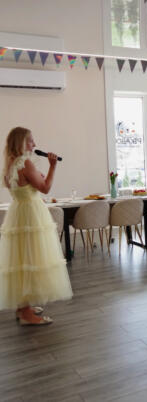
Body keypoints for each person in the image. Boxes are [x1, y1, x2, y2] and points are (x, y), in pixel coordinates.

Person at [0, 127, 72, 325]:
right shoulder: (26, 163)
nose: (35, 144)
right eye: (31, 140)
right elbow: (45, 188)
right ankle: (26, 315)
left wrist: (36, 177)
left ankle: (23, 307)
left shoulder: (10, 163)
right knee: (32, 258)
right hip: (31, 215)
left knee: (22, 259)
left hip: (18, 213)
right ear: (21, 143)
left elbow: (23, 186)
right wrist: (52, 166)